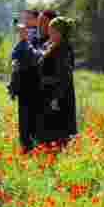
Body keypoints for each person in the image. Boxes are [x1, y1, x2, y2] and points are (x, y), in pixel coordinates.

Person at [35, 16, 79, 150]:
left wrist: (55, 98)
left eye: (52, 31)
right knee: (48, 137)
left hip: (57, 98)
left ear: (60, 33)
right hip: (49, 95)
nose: (49, 34)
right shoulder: (54, 46)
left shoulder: (63, 50)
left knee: (56, 137)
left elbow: (62, 77)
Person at [8, 9, 44, 152]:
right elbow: (15, 56)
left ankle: (33, 147)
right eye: (24, 19)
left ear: (37, 20)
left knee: (32, 119)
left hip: (34, 84)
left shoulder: (40, 37)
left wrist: (24, 40)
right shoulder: (27, 36)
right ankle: (26, 147)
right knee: (24, 119)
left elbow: (34, 57)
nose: (25, 22)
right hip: (23, 84)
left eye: (28, 19)